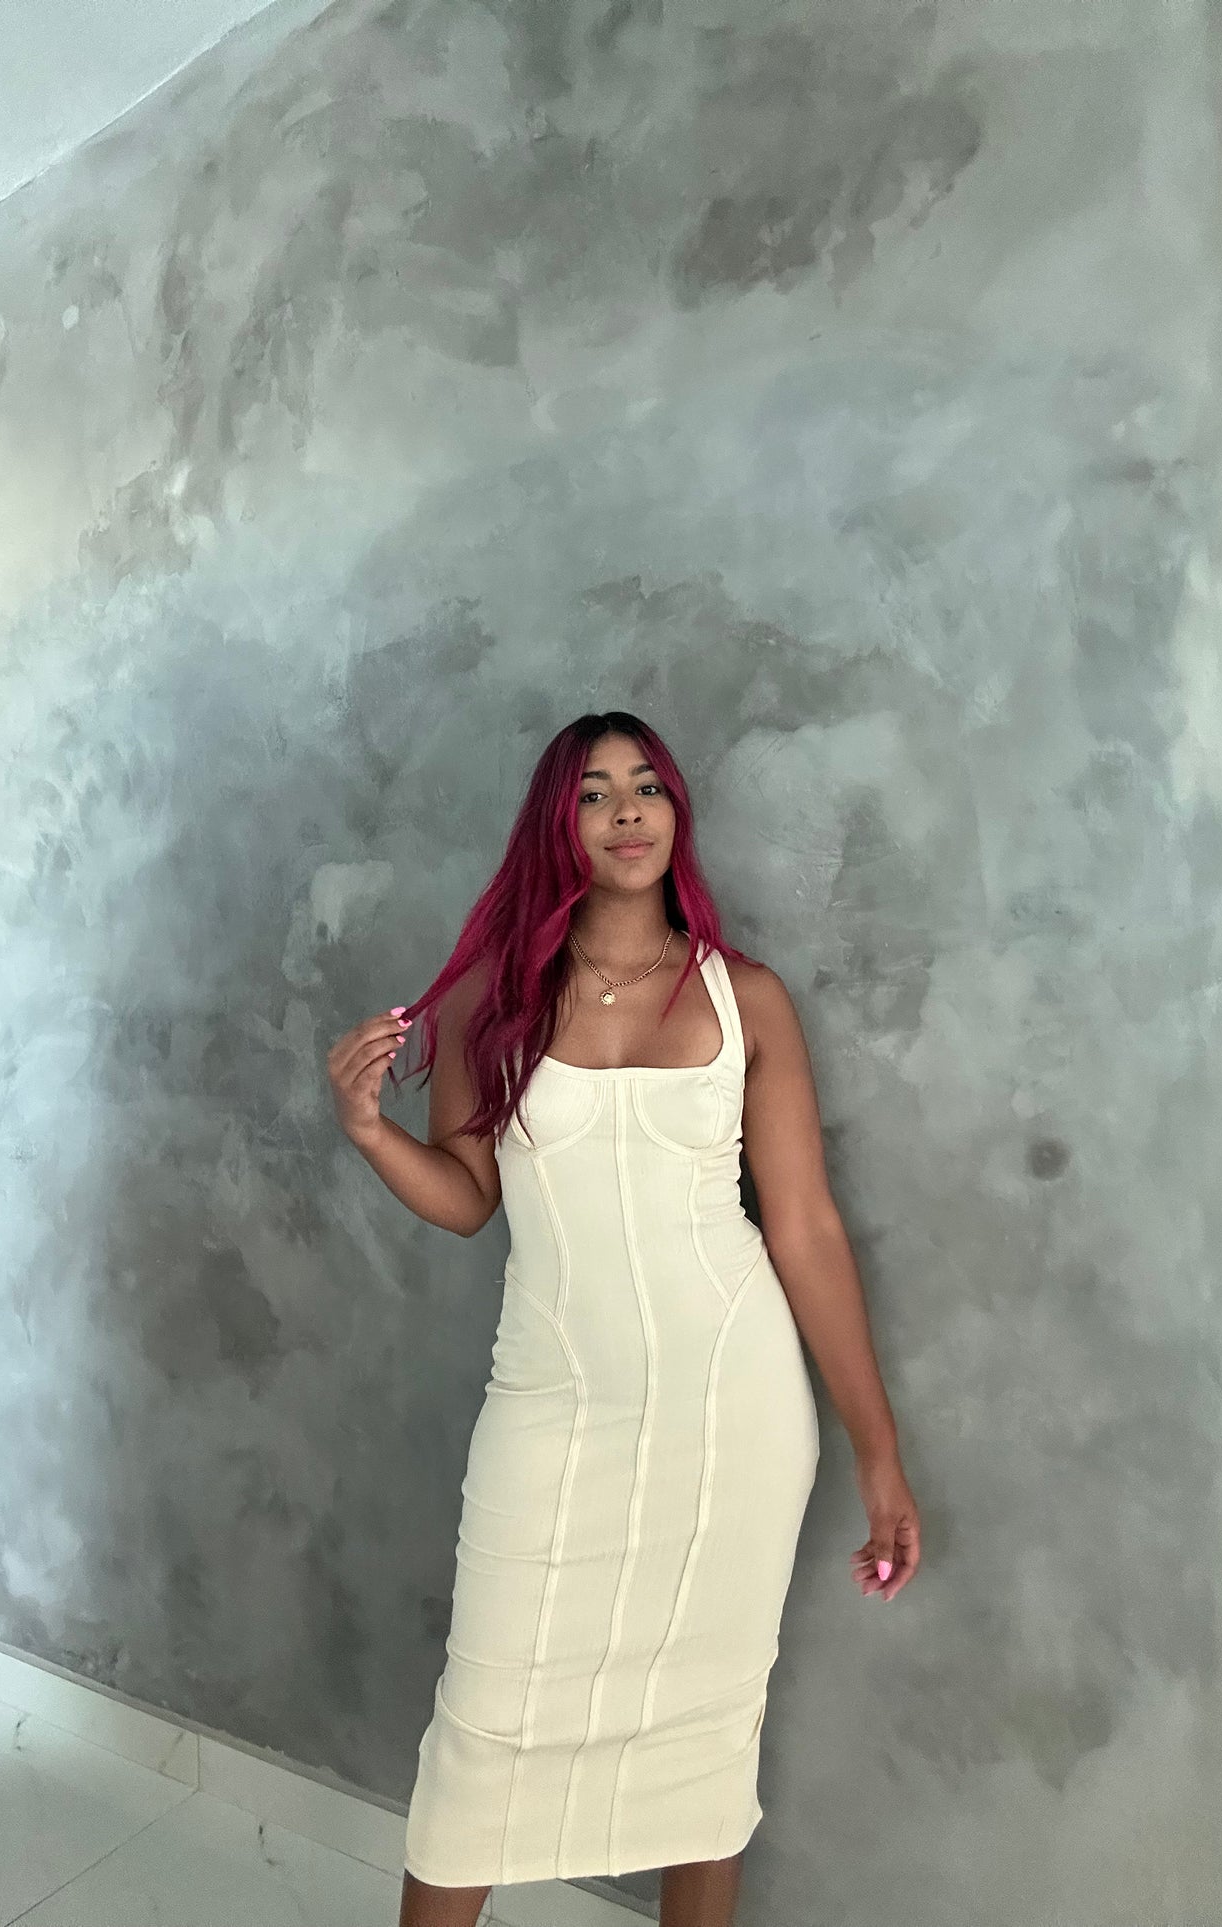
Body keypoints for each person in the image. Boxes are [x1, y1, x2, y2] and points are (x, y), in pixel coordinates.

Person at [327, 710, 921, 1927]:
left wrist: (878, 1452)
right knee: (483, 1730)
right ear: (559, 825)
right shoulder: (490, 1000)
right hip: (553, 1402)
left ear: (673, 812)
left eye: (645, 785)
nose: (625, 810)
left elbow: (803, 1229)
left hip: (731, 1412)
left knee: (703, 1736)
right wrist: (369, 1132)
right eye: (593, 793)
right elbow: (467, 1198)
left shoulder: (745, 998)